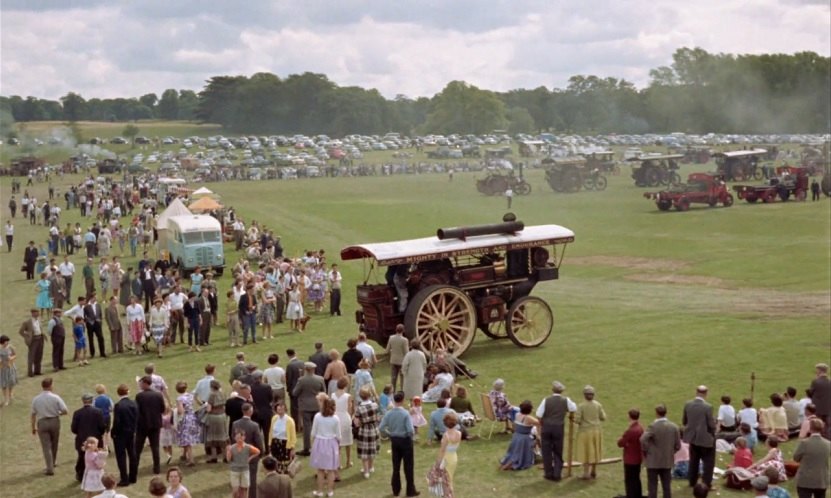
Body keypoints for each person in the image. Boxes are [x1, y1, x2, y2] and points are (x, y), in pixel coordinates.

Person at [379, 391, 419, 497]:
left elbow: (381, 427)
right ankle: (410, 490)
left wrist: (390, 434)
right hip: (405, 440)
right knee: (408, 466)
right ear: (403, 400)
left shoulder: (389, 413)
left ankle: (396, 489)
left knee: (396, 466)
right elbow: (411, 430)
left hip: (395, 440)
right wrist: (409, 435)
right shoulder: (405, 413)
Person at [536, 380, 577, 482]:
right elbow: (574, 408)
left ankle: (548, 473)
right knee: (558, 451)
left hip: (546, 427)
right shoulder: (565, 400)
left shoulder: (546, 400)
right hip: (558, 428)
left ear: (552, 390)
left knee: (546, 451)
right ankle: (557, 473)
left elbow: (539, 414)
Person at [641, 404, 681, 498]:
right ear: (666, 413)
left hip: (653, 461)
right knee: (667, 487)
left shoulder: (653, 426)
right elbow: (678, 445)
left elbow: (643, 439)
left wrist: (646, 450)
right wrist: (671, 452)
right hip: (667, 461)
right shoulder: (674, 427)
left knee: (652, 487)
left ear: (656, 413)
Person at [31, 377, 69, 476]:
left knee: (46, 446)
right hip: (54, 421)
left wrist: (33, 427)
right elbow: (65, 410)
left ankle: (49, 467)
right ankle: (53, 462)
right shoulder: (55, 397)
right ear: (50, 386)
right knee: (54, 443)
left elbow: (33, 414)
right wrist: (57, 413)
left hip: (42, 422)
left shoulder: (36, 399)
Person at [683, 385, 716, 489]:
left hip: (692, 438)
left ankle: (692, 481)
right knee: (708, 462)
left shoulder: (688, 404)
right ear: (706, 393)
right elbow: (711, 424)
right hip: (705, 439)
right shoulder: (708, 407)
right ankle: (706, 483)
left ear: (696, 392)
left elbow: (684, 421)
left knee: (694, 460)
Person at [134, 375, 165, 479]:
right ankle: (157, 468)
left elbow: (137, 411)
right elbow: (162, 409)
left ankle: (134, 467)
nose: (140, 385)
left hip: (142, 425)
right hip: (155, 424)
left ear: (146, 383)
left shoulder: (139, 396)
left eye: (141, 383)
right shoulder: (158, 395)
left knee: (138, 447)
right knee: (155, 447)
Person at [231, 403, 264, 498]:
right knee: (251, 479)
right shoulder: (254, 425)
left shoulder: (235, 424)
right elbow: (259, 442)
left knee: (238, 479)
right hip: (251, 456)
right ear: (250, 411)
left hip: (238, 456)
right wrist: (260, 453)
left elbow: (233, 439)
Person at [310, 397, 340, 497]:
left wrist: (312, 443)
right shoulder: (335, 418)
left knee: (320, 470)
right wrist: (338, 444)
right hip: (331, 443)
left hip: (319, 443)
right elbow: (338, 435)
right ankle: (330, 491)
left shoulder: (317, 416)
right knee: (331, 469)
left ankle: (320, 491)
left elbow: (313, 432)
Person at [294, 361, 326, 456]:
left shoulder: (301, 380)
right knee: (319, 426)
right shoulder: (320, 379)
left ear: (305, 369)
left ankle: (307, 448)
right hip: (317, 405)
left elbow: (295, 392)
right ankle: (320, 446)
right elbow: (324, 391)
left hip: (305, 406)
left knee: (307, 428)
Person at [793, 418, 830, 498]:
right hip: (821, 480)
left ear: (810, 428)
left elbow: (796, 458)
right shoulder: (828, 444)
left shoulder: (804, 443)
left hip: (805, 480)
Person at [499, 399, 540, 471]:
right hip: (525, 439)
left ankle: (507, 463)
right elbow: (539, 423)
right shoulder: (528, 418)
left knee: (514, 452)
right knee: (538, 439)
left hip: (516, 436)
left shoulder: (517, 414)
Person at [575, 385, 606, 479]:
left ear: (584, 395)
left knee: (586, 452)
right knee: (595, 451)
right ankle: (594, 471)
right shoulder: (598, 405)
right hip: (596, 431)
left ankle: (586, 473)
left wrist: (572, 418)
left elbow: (578, 420)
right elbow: (603, 417)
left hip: (585, 432)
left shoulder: (581, 406)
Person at [111, 384, 138, 486]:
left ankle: (124, 478)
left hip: (121, 434)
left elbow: (117, 422)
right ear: (128, 392)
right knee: (132, 454)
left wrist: (113, 433)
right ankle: (133, 477)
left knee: (121, 456)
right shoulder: (134, 403)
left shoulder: (118, 406)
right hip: (131, 433)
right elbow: (136, 418)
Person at [354, 386, 381, 479]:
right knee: (372, 448)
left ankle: (366, 471)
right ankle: (371, 467)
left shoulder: (359, 408)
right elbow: (378, 417)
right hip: (374, 428)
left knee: (365, 451)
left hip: (364, 430)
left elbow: (356, 422)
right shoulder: (375, 405)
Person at [228, 428, 262, 498]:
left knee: (244, 489)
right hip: (235, 471)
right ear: (234, 438)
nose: (239, 439)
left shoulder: (248, 447)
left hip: (245, 470)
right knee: (235, 490)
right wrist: (228, 452)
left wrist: (250, 458)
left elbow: (258, 451)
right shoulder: (232, 448)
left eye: (241, 437)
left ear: (244, 437)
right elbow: (228, 459)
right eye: (237, 438)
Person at [617, 408, 644, 498]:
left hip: (630, 459)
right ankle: (637, 494)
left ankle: (631, 495)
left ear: (629, 417)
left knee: (629, 479)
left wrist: (621, 440)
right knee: (636, 478)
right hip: (638, 457)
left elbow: (621, 443)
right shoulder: (640, 428)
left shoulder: (631, 430)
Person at [331, 377, 354, 473]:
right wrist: (351, 416)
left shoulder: (332, 395)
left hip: (335, 417)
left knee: (337, 442)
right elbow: (349, 408)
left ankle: (338, 463)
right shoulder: (348, 396)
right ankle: (348, 461)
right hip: (345, 417)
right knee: (348, 441)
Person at [175, 381, 200, 467]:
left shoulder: (179, 399)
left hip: (185, 419)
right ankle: (184, 454)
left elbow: (181, 411)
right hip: (192, 417)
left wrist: (176, 411)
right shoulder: (190, 396)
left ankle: (191, 459)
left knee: (187, 439)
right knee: (187, 437)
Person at [268, 401, 297, 474]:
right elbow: (271, 432)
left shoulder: (289, 420)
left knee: (285, 464)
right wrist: (269, 444)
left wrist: (292, 448)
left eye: (282, 407)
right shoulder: (274, 418)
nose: (280, 409)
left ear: (285, 409)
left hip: (285, 444)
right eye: (278, 408)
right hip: (275, 443)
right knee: (275, 463)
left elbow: (293, 435)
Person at [204, 380, 227, 463]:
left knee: (213, 436)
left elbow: (209, 409)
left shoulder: (212, 395)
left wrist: (205, 408)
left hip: (214, 417)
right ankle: (225, 456)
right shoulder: (222, 393)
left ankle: (214, 456)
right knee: (223, 436)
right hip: (222, 416)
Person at [19, 308, 45, 377]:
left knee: (39, 355)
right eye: (36, 312)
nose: (38, 314)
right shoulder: (27, 322)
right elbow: (21, 332)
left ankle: (37, 371)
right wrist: (27, 336)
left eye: (38, 312)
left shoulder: (39, 320)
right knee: (31, 356)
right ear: (33, 313)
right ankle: (30, 373)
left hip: (40, 339)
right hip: (33, 340)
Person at [809, 363, 831, 439]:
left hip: (818, 407)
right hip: (828, 407)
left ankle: (819, 439)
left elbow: (810, 392)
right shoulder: (829, 381)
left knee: (818, 424)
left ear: (819, 370)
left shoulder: (815, 381)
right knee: (828, 425)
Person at [386, 324, 408, 392]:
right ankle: (402, 391)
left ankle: (392, 391)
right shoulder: (404, 340)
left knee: (393, 378)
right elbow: (406, 352)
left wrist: (392, 351)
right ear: (403, 331)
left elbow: (387, 350)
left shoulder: (391, 338)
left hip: (393, 360)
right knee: (402, 378)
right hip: (401, 361)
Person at [84, 293, 106, 359]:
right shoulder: (86, 306)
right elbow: (85, 316)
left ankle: (102, 353)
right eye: (95, 297)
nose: (96, 298)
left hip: (97, 324)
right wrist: (89, 321)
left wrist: (100, 321)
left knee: (101, 338)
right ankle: (92, 353)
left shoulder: (98, 305)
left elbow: (100, 314)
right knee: (91, 339)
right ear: (91, 298)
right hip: (90, 324)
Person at [0, 335, 19, 406]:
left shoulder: (10, 347)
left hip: (11, 367)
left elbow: (15, 355)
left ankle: (10, 394)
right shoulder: (0, 350)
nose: (7, 343)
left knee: (11, 382)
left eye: (7, 341)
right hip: (3, 368)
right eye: (5, 341)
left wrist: (11, 358)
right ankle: (6, 399)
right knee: (4, 384)